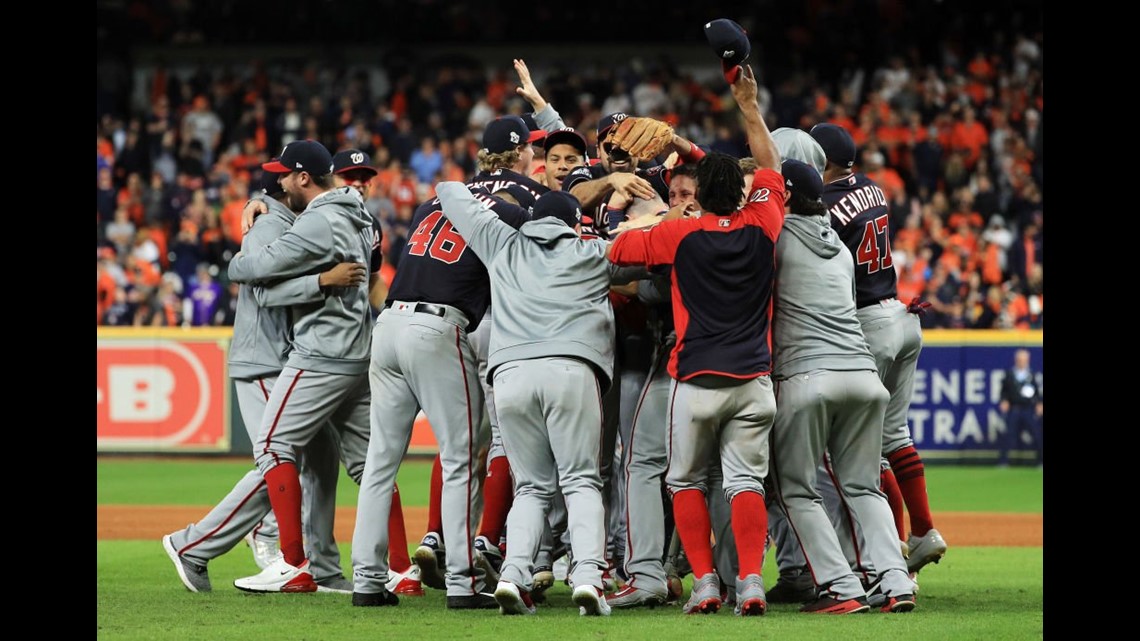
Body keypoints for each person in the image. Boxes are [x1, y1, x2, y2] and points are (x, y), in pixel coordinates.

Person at [606, 64, 780, 617]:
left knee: (684, 482)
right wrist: (749, 109)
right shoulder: (765, 222)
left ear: (701, 194)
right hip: (753, 379)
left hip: (695, 377)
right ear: (745, 193)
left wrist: (628, 213)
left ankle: (704, 581)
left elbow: (615, 255)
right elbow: (770, 166)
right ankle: (749, 580)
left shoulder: (679, 231)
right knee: (745, 483)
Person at [162, 169, 367, 594]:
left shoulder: (298, 220)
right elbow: (257, 289)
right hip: (266, 359)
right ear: (292, 185)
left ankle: (322, 567)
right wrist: (322, 281)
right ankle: (196, 544)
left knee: (320, 466)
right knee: (275, 460)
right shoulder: (267, 225)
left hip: (292, 358)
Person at [351, 136, 533, 609]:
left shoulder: (432, 205)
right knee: (463, 453)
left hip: (388, 323)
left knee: (380, 460)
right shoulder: (509, 211)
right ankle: (462, 580)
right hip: (437, 326)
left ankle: (368, 580)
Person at [435, 184, 626, 617]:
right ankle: (589, 579)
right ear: (574, 223)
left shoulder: (500, 240)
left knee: (532, 487)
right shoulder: (591, 251)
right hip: (571, 371)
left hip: (511, 377)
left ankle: (512, 575)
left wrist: (510, 206)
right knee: (580, 481)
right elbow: (650, 261)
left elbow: (449, 191)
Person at [766, 158, 916, 614]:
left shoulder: (776, 238)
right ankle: (895, 581)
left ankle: (840, 586)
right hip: (865, 378)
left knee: (796, 489)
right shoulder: (841, 246)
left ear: (785, 196)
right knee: (864, 486)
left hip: (810, 375)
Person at [227, 140, 375, 595]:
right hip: (358, 352)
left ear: (304, 178)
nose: (278, 181)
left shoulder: (315, 221)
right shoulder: (364, 220)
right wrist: (264, 205)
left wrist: (315, 279)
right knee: (370, 466)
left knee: (273, 448)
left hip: (318, 354)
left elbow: (247, 272)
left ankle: (286, 559)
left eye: (284, 175)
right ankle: (396, 570)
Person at [810, 123, 948, 576]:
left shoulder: (826, 204)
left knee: (857, 450)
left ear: (823, 161)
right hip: (903, 316)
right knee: (895, 437)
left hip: (869, 321)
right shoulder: (872, 188)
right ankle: (924, 530)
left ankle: (887, 554)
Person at [330, 148, 423, 596]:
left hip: (350, 353)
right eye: (349, 176)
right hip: (306, 352)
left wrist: (391, 315)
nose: (359, 183)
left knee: (373, 464)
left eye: (364, 177)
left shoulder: (369, 225)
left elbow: (371, 281)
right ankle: (291, 555)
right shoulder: (315, 217)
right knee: (284, 456)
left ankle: (401, 567)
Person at [997, 349, 1043, 467]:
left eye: (1024, 360)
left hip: (1028, 409)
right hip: (1014, 409)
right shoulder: (1010, 374)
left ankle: (1041, 461)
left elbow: (1036, 392)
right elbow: (1004, 392)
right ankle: (1003, 462)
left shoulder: (1030, 375)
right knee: (1008, 436)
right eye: (1020, 360)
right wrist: (1004, 401)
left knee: (1037, 435)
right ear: (1016, 360)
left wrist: (1039, 403)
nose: (1022, 362)